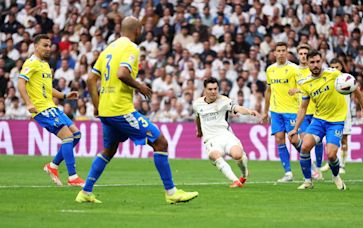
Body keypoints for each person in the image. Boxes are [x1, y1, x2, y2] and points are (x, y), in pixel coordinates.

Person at [75, 16, 198, 204]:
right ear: (137, 31)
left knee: (108, 150)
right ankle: (171, 193)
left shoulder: (108, 48)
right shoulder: (131, 47)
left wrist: (97, 105)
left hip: (107, 110)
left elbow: (91, 79)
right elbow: (122, 73)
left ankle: (85, 192)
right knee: (161, 143)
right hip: (120, 109)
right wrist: (140, 86)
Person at [288, 50, 363, 190]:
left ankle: (336, 176)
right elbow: (303, 108)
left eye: (317, 62)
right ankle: (308, 181)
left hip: (336, 121)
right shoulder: (305, 83)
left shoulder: (333, 74)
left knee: (331, 154)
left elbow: (354, 86)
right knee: (305, 147)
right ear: (307, 63)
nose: (315, 65)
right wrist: (295, 129)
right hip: (319, 120)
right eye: (312, 62)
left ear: (322, 61)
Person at [17, 34, 85, 187]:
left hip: (52, 107)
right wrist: (28, 104)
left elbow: (48, 89)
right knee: (67, 138)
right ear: (36, 46)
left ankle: (53, 166)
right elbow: (20, 83)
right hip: (41, 109)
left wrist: (65, 95)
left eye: (49, 45)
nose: (48, 48)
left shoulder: (45, 65)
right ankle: (73, 177)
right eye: (45, 45)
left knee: (76, 135)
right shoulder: (31, 63)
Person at [193, 77, 259, 188]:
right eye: (210, 89)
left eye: (215, 88)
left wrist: (249, 111)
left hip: (226, 135)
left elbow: (237, 108)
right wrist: (199, 131)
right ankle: (235, 181)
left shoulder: (224, 100)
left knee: (237, 155)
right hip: (211, 139)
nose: (213, 92)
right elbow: (198, 117)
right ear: (205, 90)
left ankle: (244, 174)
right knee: (215, 155)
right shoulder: (197, 104)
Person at [262, 42, 302, 183]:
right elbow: (269, 91)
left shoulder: (294, 69)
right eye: (278, 51)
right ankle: (288, 173)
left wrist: (296, 90)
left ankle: (310, 163)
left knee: (294, 140)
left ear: (287, 52)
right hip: (276, 111)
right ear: (274, 53)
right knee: (279, 138)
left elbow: (304, 86)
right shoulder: (270, 70)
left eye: (283, 50)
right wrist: (266, 111)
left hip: (291, 110)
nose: (280, 53)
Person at [288, 44, 324, 180]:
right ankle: (312, 167)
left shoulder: (314, 70)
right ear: (298, 55)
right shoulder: (294, 71)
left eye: (305, 53)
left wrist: (297, 90)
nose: (303, 56)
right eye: (301, 53)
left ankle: (318, 168)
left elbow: (312, 87)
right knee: (303, 139)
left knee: (318, 141)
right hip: (302, 111)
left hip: (316, 110)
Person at [320, 58, 352, 174]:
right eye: (332, 67)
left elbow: (356, 91)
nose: (334, 69)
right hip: (331, 114)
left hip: (345, 115)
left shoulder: (347, 79)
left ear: (341, 67)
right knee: (329, 140)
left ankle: (342, 165)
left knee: (344, 140)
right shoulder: (328, 79)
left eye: (336, 67)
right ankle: (330, 162)